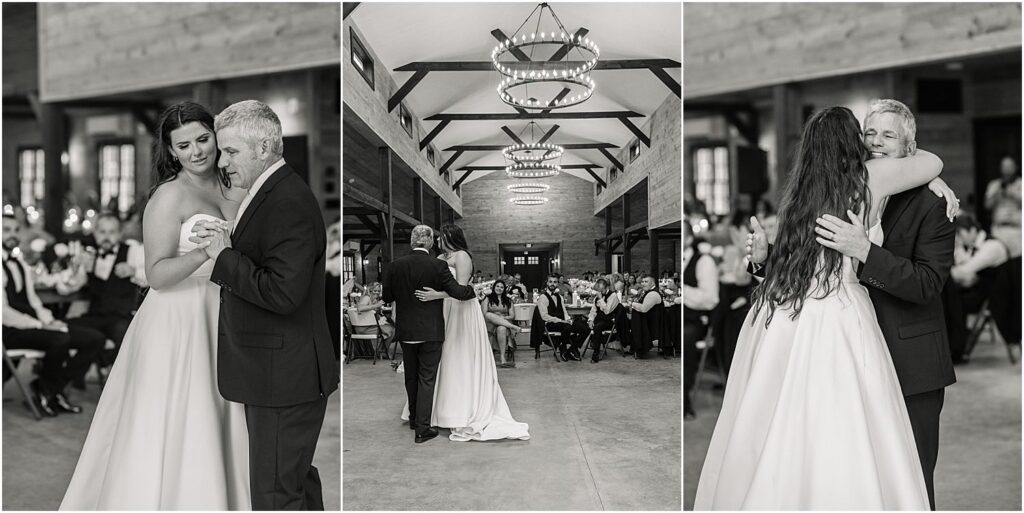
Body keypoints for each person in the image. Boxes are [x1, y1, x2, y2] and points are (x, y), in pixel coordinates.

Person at [695, 104, 958, 510]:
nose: (874, 142)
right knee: (826, 440)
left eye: (887, 136)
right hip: (841, 328)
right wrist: (764, 261)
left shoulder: (804, 193)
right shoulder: (864, 181)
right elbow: (931, 161)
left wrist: (865, 248)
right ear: (852, 140)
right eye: (868, 133)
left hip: (879, 347)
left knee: (882, 464)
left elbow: (927, 283)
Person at [61, 101, 251, 509]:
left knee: (224, 410)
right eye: (184, 145)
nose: (196, 151)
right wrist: (209, 253)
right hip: (179, 316)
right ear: (171, 151)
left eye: (203, 139)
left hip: (227, 308)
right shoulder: (168, 196)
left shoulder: (233, 184)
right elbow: (157, 275)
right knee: (181, 412)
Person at [192, 100, 338, 509]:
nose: (222, 161)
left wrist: (223, 256)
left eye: (231, 151)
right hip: (279, 372)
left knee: (275, 495)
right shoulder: (270, 193)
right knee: (293, 484)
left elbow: (283, 293)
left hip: (284, 378)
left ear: (264, 147)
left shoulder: (286, 199)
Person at [400, 224, 529, 442]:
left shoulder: (462, 256)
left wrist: (435, 296)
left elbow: (460, 289)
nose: (440, 240)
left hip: (461, 310)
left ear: (452, 237)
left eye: (443, 236)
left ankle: (460, 408)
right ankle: (434, 411)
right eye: (438, 237)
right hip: (442, 310)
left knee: (457, 355)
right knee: (440, 358)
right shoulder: (439, 257)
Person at [2, 214, 105, 416]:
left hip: (34, 324)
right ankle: (49, 392)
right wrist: (40, 326)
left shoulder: (20, 263)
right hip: (9, 331)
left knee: (94, 339)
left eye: (15, 229)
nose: (12, 235)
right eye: (6, 230)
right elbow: (3, 313)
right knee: (60, 339)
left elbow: (33, 301)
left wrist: (50, 320)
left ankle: (49, 389)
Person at [62, 213, 147, 368]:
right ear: (95, 233)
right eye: (102, 232)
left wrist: (133, 271)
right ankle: (61, 379)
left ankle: (106, 366)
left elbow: (151, 276)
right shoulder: (88, 254)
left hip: (120, 316)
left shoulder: (132, 252)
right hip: (94, 316)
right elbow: (69, 287)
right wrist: (76, 269)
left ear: (120, 234)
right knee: (61, 329)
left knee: (125, 335)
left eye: (112, 232)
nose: (107, 237)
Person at [683, 219, 718, 418]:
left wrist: (684, 291)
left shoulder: (704, 261)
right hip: (682, 316)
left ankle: (685, 399)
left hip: (697, 320)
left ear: (689, 238)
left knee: (685, 336)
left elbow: (711, 298)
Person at [530, 274, 591, 361]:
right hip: (550, 323)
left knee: (586, 329)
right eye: (550, 282)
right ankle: (563, 348)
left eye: (555, 282)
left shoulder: (560, 297)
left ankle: (570, 350)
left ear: (557, 284)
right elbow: (544, 316)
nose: (552, 284)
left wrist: (568, 319)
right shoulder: (543, 298)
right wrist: (561, 321)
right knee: (567, 327)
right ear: (547, 283)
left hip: (562, 322)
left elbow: (564, 311)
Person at [481, 279, 521, 368]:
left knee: (502, 328)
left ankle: (502, 357)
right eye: (497, 286)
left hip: (504, 323)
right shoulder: (487, 298)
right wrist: (496, 318)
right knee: (488, 314)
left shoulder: (508, 300)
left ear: (504, 289)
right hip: (490, 323)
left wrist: (502, 318)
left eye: (502, 287)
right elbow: (484, 314)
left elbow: (512, 316)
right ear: (494, 287)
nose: (499, 288)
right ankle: (513, 326)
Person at [625, 275, 665, 358]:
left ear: (653, 283)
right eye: (642, 282)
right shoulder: (648, 292)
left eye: (646, 282)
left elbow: (644, 309)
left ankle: (633, 345)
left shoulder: (653, 293)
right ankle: (631, 345)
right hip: (647, 320)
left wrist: (631, 304)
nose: (643, 284)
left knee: (623, 322)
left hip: (651, 324)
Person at [352, 281, 396, 353]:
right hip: (363, 328)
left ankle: (380, 350)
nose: (377, 292)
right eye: (375, 290)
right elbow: (360, 308)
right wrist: (376, 306)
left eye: (378, 291)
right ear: (370, 290)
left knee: (390, 329)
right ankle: (383, 351)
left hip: (366, 326)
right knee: (393, 330)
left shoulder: (373, 299)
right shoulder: (367, 297)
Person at [586, 277, 620, 363]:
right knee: (581, 324)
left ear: (606, 288)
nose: (599, 292)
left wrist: (601, 299)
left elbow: (607, 311)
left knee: (597, 327)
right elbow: (593, 311)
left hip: (609, 321)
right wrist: (590, 320)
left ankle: (596, 352)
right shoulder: (596, 298)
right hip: (599, 320)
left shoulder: (613, 296)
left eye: (601, 290)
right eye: (598, 290)